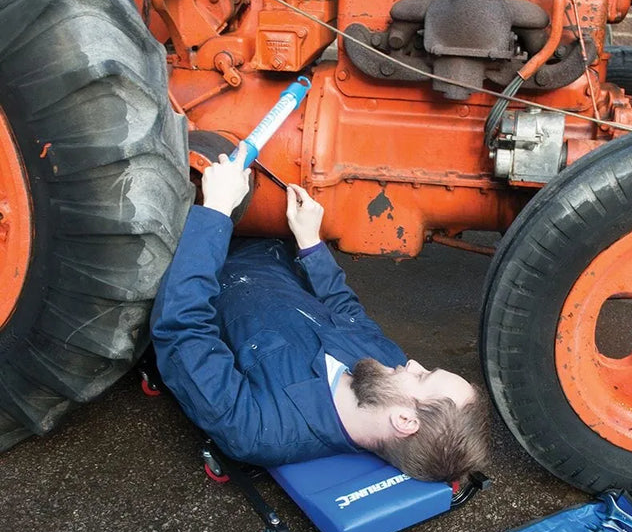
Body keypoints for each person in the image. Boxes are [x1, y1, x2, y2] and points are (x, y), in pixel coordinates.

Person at [150, 144, 491, 482]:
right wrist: (311, 242)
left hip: (182, 254)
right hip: (268, 250)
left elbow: (181, 327)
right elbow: (347, 309)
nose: (413, 363)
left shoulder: (259, 426)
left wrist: (216, 212)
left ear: (404, 421)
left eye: (422, 377)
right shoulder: (384, 366)